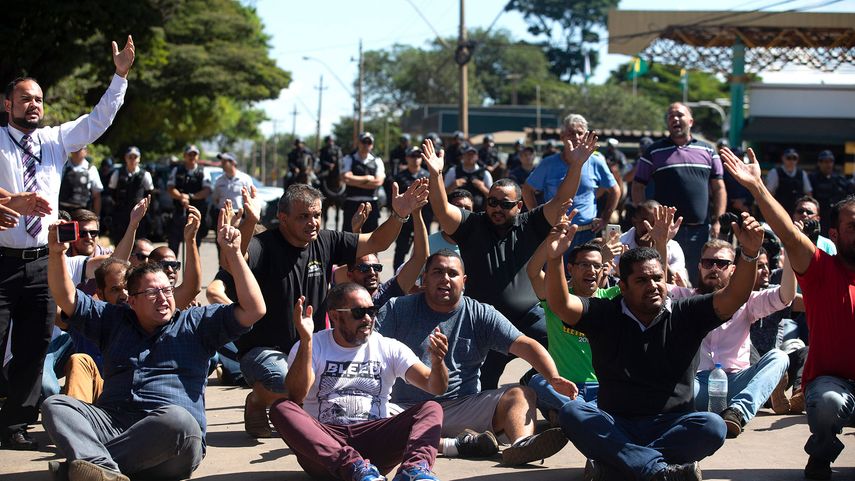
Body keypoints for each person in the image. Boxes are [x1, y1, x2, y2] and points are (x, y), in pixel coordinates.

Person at [41, 209, 265, 480]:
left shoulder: (197, 323)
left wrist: (234, 253)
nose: (163, 298)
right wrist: (55, 253)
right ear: (131, 300)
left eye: (167, 290)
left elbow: (254, 309)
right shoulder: (114, 319)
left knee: (178, 421)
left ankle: (87, 467)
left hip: (173, 444)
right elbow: (67, 297)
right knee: (57, 406)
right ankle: (105, 470)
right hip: (114, 425)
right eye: (151, 292)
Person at [545, 208, 764, 480]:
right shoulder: (604, 313)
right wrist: (554, 258)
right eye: (642, 280)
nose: (653, 286)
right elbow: (561, 304)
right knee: (573, 413)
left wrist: (750, 253)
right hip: (616, 423)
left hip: (673, 425)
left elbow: (734, 296)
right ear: (622, 286)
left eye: (658, 278)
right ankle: (659, 470)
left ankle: (619, 464)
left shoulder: (687, 313)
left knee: (712, 426)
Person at [0, 36, 134, 451]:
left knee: (33, 344)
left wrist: (120, 76)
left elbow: (98, 121)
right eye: (25, 99)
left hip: (43, 261)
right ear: (7, 104)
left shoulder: (55, 141)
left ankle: (14, 425)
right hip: (1, 260)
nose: (33, 105)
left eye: (38, 99)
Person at [236, 182, 428, 438]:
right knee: (286, 382)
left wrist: (399, 215)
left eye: (316, 215)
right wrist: (249, 222)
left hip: (309, 346)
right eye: (303, 216)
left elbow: (375, 242)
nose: (313, 222)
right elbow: (236, 256)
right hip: (265, 350)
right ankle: (258, 400)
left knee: (327, 385)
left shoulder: (326, 240)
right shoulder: (266, 244)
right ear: (283, 218)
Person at [424, 131, 599, 390]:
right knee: (483, 388)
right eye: (492, 202)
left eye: (505, 204)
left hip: (530, 317)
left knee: (563, 346)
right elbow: (442, 209)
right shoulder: (473, 225)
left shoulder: (531, 223)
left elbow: (562, 199)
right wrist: (436, 175)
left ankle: (535, 383)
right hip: (487, 322)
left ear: (519, 206)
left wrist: (576, 165)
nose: (496, 208)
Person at [720, 146, 855, 480]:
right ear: (834, 236)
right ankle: (821, 455)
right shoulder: (822, 268)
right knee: (827, 404)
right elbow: (791, 236)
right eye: (854, 225)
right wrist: (757, 187)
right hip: (831, 384)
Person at [377, 250, 579, 466]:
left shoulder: (480, 313)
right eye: (437, 272)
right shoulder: (397, 308)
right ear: (424, 278)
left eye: (452, 273)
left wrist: (553, 377)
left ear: (463, 282)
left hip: (463, 407)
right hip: (406, 410)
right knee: (365, 414)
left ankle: (521, 444)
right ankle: (452, 445)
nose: (445, 278)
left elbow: (525, 345)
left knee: (521, 394)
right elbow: (367, 348)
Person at [270, 284, 447, 481]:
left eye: (372, 311)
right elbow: (297, 394)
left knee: (431, 408)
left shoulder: (388, 347)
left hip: (374, 439)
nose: (368, 319)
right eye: (359, 313)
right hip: (326, 444)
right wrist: (306, 340)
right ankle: (355, 468)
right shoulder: (313, 345)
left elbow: (435, 386)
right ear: (335, 316)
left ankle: (414, 472)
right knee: (281, 407)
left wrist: (438, 363)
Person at [669, 238, 795, 438]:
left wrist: (790, 251)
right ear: (700, 266)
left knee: (779, 357)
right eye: (708, 263)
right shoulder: (684, 297)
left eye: (722, 263)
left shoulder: (747, 301)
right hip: (697, 385)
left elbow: (786, 296)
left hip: (737, 384)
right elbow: (655, 288)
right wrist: (660, 241)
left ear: (734, 270)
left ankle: (737, 412)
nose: (714, 268)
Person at [631, 103, 726, 286]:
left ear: (690, 121)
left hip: (700, 230)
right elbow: (637, 185)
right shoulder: (653, 151)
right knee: (667, 281)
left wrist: (718, 220)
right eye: (670, 116)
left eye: (680, 115)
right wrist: (644, 221)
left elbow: (719, 188)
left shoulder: (708, 150)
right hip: (665, 232)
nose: (675, 118)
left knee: (700, 282)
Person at [527, 236, 620, 418]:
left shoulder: (612, 297)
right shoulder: (556, 298)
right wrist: (551, 243)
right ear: (570, 269)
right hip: (564, 387)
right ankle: (582, 416)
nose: (592, 270)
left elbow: (653, 286)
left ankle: (568, 417)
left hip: (602, 388)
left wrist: (660, 244)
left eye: (597, 266)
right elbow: (533, 271)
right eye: (585, 265)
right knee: (537, 382)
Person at [523, 114, 619, 246]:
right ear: (562, 136)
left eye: (580, 133)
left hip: (586, 233)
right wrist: (537, 217)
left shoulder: (596, 162)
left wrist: (605, 218)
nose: (576, 137)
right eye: (571, 133)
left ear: (586, 137)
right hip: (556, 232)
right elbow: (527, 190)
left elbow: (615, 190)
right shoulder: (548, 163)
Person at [347, 208, 427, 307]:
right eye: (364, 268)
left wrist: (416, 213)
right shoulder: (343, 298)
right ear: (349, 275)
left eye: (376, 267)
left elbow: (420, 257)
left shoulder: (390, 292)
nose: (372, 272)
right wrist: (356, 232)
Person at [615, 200, 689, 283]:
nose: (650, 227)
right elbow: (615, 277)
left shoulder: (673, 247)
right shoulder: (620, 243)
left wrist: (659, 245)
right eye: (645, 220)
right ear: (634, 222)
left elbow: (675, 283)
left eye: (655, 222)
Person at [147, 206, 202, 309]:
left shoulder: (174, 297)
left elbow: (193, 288)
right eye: (164, 265)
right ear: (150, 266)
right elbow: (192, 289)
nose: (170, 270)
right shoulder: (143, 296)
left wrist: (191, 240)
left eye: (174, 265)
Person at [167, 144, 211, 253]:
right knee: (173, 245)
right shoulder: (177, 170)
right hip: (178, 213)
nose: (192, 157)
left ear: (198, 156)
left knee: (194, 246)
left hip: (195, 214)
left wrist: (191, 197)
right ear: (184, 156)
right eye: (189, 154)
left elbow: (207, 191)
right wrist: (181, 197)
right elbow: (170, 188)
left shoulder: (203, 171)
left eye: (194, 154)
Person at [393, 147, 432, 269]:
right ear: (406, 158)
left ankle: (423, 279)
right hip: (405, 218)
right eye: (412, 156)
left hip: (423, 217)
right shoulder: (399, 176)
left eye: (418, 156)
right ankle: (396, 279)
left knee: (423, 248)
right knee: (401, 249)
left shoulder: (428, 176)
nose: (416, 159)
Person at [108, 146, 154, 245]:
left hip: (138, 215)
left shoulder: (145, 174)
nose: (132, 160)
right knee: (120, 242)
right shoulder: (117, 173)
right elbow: (111, 192)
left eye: (135, 157)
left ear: (139, 158)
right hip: (121, 215)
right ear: (125, 158)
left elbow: (149, 194)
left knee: (138, 244)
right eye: (130, 157)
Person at [342, 132, 385, 233]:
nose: (366, 145)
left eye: (369, 142)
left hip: (371, 204)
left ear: (372, 145)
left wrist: (354, 181)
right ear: (358, 143)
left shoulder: (377, 161)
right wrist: (367, 178)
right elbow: (346, 178)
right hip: (351, 204)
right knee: (348, 238)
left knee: (371, 239)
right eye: (363, 142)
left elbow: (378, 182)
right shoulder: (349, 158)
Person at [809, 150, 850, 235]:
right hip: (820, 219)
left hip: (836, 218)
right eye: (826, 161)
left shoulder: (840, 180)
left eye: (831, 161)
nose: (829, 164)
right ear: (819, 163)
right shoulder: (812, 179)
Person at [765, 148, 813, 219]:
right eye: (788, 158)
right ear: (783, 158)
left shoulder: (802, 173)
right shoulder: (775, 172)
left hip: (798, 213)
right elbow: (769, 193)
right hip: (780, 211)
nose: (791, 160)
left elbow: (808, 193)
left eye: (794, 158)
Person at [444, 145, 492, 212]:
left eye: (473, 155)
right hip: (456, 211)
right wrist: (454, 185)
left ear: (477, 157)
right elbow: (443, 193)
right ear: (463, 156)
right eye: (468, 154)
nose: (470, 157)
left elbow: (492, 196)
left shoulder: (485, 173)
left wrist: (482, 187)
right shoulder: (453, 171)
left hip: (478, 212)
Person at [59, 146, 103, 216]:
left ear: (86, 151)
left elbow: (97, 196)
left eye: (80, 148)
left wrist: (96, 217)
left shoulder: (91, 169)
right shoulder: (62, 166)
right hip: (62, 212)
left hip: (83, 213)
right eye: (75, 148)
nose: (77, 151)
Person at [427, 189, 472, 256]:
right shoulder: (427, 243)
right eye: (458, 207)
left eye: (467, 208)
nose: (463, 211)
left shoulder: (480, 243)